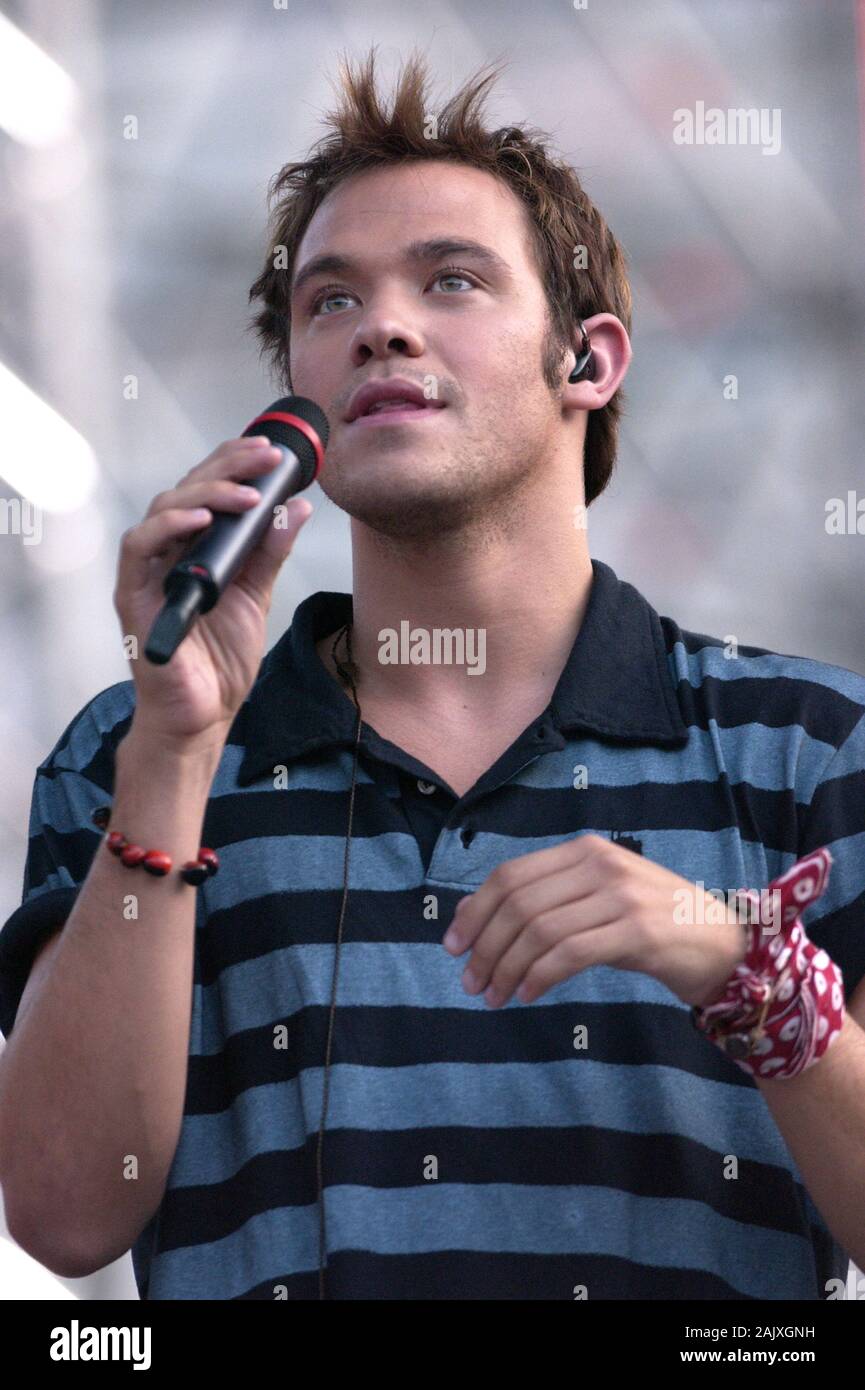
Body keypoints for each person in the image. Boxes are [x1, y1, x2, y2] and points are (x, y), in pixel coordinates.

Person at [1, 46, 864, 1302]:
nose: (382, 326)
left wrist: (748, 976)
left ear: (591, 362)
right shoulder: (130, 749)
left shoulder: (806, 746)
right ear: (291, 398)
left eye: (451, 279)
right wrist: (174, 756)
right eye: (329, 303)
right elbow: (65, 1211)